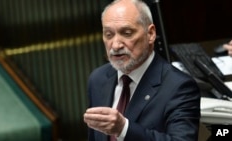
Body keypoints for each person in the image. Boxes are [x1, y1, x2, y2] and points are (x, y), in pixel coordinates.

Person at [83, 0, 201, 141]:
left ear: (150, 34)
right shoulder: (98, 79)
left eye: (126, 33)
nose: (115, 45)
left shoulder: (179, 86)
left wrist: (124, 129)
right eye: (108, 35)